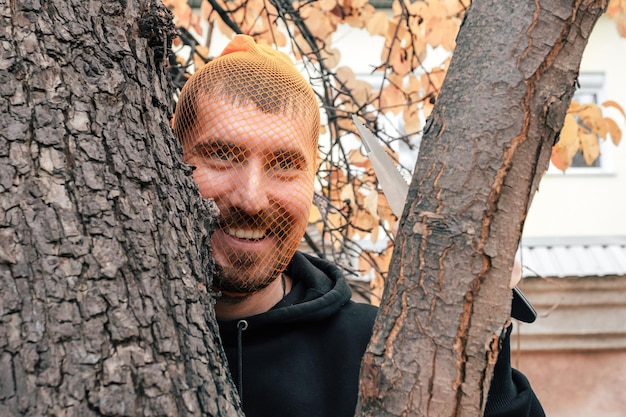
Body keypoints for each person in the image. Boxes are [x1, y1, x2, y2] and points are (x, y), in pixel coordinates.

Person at [173, 34, 545, 417]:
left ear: (312, 179)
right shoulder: (123, 323)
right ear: (166, 163)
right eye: (222, 155)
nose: (251, 199)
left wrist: (483, 339)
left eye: (284, 165)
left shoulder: (379, 352)